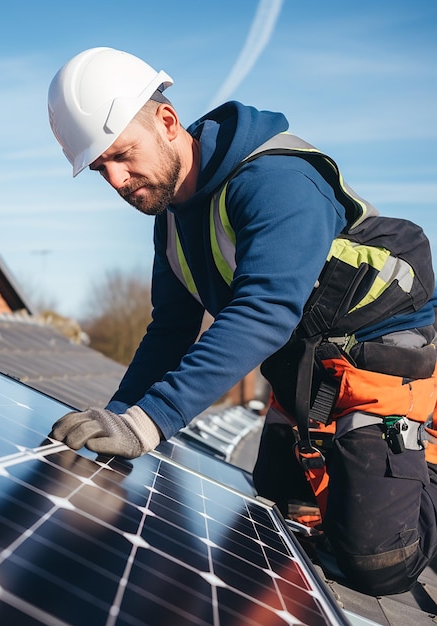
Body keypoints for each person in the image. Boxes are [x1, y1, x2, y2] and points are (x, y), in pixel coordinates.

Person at [47, 46, 437, 595]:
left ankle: (423, 443)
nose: (116, 179)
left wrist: (149, 422)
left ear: (166, 120)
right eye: (99, 168)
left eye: (122, 154)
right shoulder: (172, 222)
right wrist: (116, 417)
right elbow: (170, 332)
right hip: (304, 361)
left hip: (377, 349)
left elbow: (265, 309)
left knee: (381, 564)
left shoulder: (275, 180)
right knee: (280, 514)